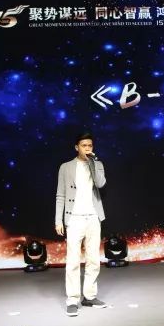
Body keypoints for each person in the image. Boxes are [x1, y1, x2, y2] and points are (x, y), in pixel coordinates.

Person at [55, 132, 107, 316]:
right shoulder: (66, 167)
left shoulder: (97, 164)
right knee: (73, 260)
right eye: (84, 145)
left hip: (93, 217)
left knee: (93, 259)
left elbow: (101, 184)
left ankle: (90, 296)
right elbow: (60, 194)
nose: (87, 148)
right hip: (74, 218)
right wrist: (58, 220)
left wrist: (93, 162)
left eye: (90, 145)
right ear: (76, 147)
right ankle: (72, 299)